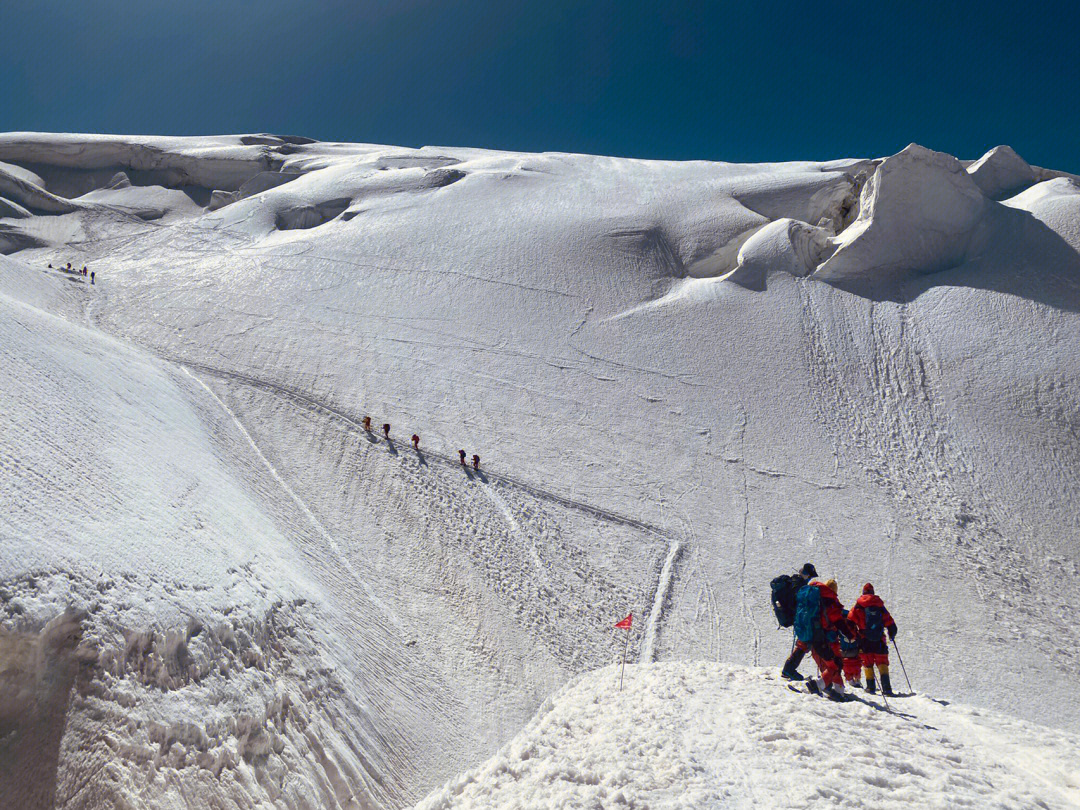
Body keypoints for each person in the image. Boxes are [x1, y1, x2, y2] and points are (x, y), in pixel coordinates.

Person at [792, 575, 854, 701]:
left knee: (831, 664)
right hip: (827, 640)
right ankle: (816, 686)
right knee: (834, 665)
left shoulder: (815, 599)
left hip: (813, 638)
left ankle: (839, 690)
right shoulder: (830, 602)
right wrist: (850, 635)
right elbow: (838, 622)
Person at [848, 583, 897, 695]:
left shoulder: (858, 606)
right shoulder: (879, 605)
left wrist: (854, 635)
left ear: (863, 592)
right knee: (882, 662)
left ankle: (871, 687)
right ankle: (887, 688)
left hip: (864, 639)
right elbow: (890, 622)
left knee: (867, 662)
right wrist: (892, 633)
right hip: (879, 639)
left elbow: (850, 622)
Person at [779, 563, 818, 680]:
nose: (810, 578)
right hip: (800, 617)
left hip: (799, 617)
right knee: (804, 641)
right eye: (810, 576)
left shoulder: (796, 582)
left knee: (804, 641)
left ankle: (789, 669)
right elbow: (796, 602)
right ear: (806, 574)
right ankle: (789, 669)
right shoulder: (798, 584)